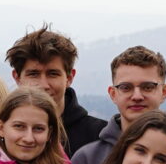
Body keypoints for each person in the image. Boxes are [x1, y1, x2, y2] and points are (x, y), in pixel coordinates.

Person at [69, 45, 166, 164]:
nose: (137, 96)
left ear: (164, 92)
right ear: (113, 94)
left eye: (148, 87)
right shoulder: (87, 159)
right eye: (126, 87)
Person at [6, 26, 106, 154]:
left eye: (53, 74)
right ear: (17, 78)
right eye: (33, 74)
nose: (43, 85)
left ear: (69, 78)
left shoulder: (100, 137)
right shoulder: (4, 137)